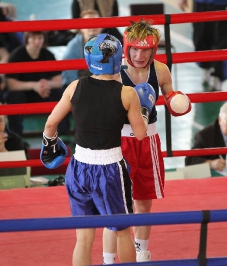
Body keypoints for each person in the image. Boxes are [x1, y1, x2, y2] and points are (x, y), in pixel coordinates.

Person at [40, 33, 153, 265]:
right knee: (122, 231)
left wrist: (50, 144)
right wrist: (143, 109)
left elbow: (50, 124)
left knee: (82, 238)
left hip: (78, 167)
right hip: (109, 169)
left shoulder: (75, 86)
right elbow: (140, 134)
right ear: (118, 59)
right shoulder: (127, 93)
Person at [102, 19, 192, 263]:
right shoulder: (113, 72)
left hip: (149, 141)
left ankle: (142, 252)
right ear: (126, 47)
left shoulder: (160, 70)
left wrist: (176, 102)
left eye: (145, 50)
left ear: (154, 49)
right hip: (119, 143)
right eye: (135, 49)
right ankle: (108, 259)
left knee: (143, 202)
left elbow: (170, 95)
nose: (139, 55)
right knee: (116, 205)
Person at [5, 30, 66, 137]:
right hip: (25, 94)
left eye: (40, 38)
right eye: (33, 38)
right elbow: (11, 85)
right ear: (27, 39)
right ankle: (16, 136)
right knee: (14, 97)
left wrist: (47, 85)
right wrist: (34, 86)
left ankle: (63, 135)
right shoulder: (17, 54)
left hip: (44, 92)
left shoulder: (48, 54)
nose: (37, 42)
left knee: (61, 93)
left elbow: (59, 82)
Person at [178, 0, 227, 91]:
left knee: (221, 42)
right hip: (200, 3)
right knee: (200, 39)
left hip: (223, 4)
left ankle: (218, 77)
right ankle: (206, 67)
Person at [61, 9, 103, 87]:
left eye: (96, 22)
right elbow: (70, 78)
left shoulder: (110, 43)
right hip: (80, 88)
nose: (92, 26)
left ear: (101, 26)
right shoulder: (73, 47)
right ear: (81, 28)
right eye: (88, 23)